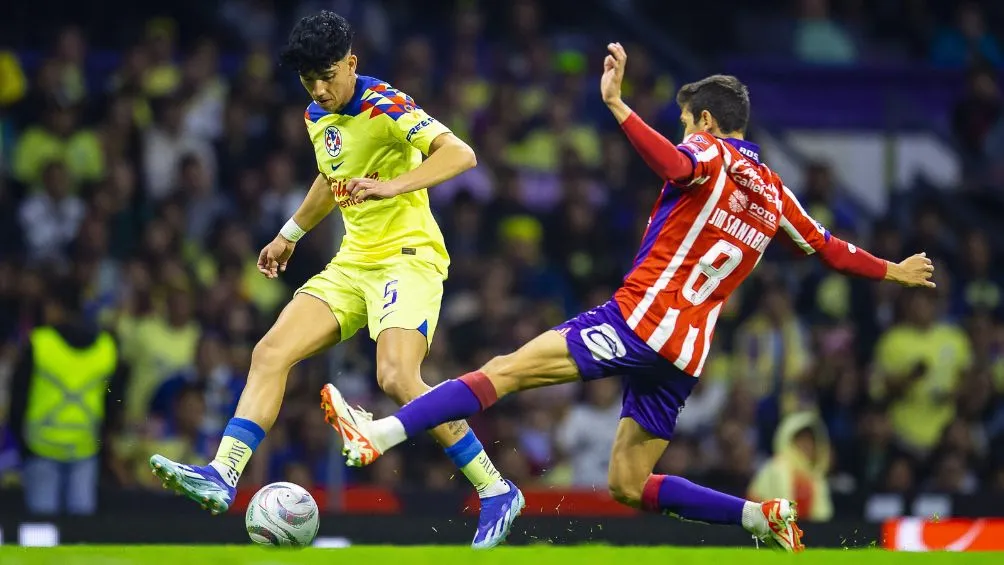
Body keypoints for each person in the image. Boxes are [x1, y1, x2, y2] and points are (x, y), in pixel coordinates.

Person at [320, 43, 936, 551]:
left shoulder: (710, 151)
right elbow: (828, 248)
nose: (684, 130)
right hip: (686, 352)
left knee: (502, 372)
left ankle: (381, 435)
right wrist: (892, 271)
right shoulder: (776, 192)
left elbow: (675, 167)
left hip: (639, 320)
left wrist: (617, 106)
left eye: (686, 121)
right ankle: (759, 517)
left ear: (705, 122)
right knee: (627, 481)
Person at [150, 11, 522, 549]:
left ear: (352, 62)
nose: (321, 90)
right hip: (354, 263)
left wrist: (393, 186)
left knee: (397, 376)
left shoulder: (385, 104)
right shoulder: (316, 113)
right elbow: (332, 176)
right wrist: (289, 234)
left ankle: (495, 488)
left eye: (329, 76)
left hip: (408, 258)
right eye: (309, 81)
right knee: (270, 351)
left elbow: (460, 154)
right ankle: (221, 474)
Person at [8, 277, 126, 515]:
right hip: (85, 448)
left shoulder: (40, 342)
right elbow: (114, 400)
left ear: (55, 306)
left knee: (41, 533)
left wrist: (20, 442)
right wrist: (104, 441)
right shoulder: (106, 346)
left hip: (40, 446)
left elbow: (18, 396)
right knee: (80, 533)